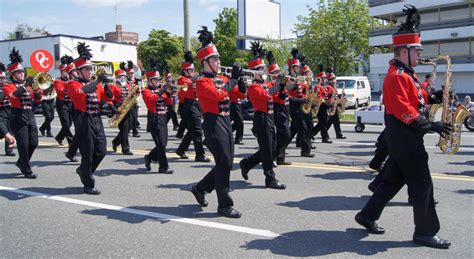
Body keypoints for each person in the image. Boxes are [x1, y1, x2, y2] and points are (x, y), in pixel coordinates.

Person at [355, 5, 451, 249]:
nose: (420, 55)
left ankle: (367, 216)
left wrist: (436, 96)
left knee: (392, 180)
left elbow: (416, 99)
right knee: (422, 183)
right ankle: (425, 232)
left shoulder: (406, 74)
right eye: (416, 51)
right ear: (404, 51)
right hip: (405, 136)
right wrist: (433, 125)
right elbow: (404, 111)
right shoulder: (396, 76)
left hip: (404, 137)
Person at [190, 26, 241, 218]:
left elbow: (237, 95)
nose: (219, 62)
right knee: (225, 162)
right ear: (205, 62)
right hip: (213, 123)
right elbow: (219, 95)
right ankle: (224, 205)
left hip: (226, 122)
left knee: (225, 163)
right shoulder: (202, 82)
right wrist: (233, 80)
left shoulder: (221, 78)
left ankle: (200, 188)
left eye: (218, 59)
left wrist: (240, 83)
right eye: (215, 59)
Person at [68, 42, 114, 195]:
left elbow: (107, 98)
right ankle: (88, 183)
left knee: (101, 150)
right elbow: (82, 92)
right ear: (79, 71)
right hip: (83, 120)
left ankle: (84, 171)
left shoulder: (95, 84)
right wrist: (98, 82)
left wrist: (107, 86)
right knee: (87, 153)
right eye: (87, 69)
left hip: (96, 119)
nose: (90, 71)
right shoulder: (72, 84)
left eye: (90, 69)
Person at [239, 41, 286, 190]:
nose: (265, 71)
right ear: (255, 72)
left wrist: (283, 86)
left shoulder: (266, 84)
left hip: (270, 118)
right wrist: (278, 84)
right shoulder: (253, 87)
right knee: (267, 151)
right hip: (261, 118)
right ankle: (270, 179)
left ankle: (247, 163)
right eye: (262, 69)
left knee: (271, 149)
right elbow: (267, 96)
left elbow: (278, 97)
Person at [3, 48, 42, 178]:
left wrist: (35, 89)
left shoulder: (27, 85)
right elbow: (14, 96)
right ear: (12, 75)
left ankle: (22, 162)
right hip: (17, 115)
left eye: (22, 72)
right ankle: (26, 168)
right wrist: (25, 85)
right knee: (23, 144)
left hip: (30, 114)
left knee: (34, 142)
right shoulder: (8, 86)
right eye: (18, 72)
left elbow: (38, 99)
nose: (21, 74)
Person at [176, 50, 210, 163]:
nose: (193, 72)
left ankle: (181, 149)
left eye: (193, 70)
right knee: (197, 130)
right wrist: (196, 79)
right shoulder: (182, 80)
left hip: (195, 105)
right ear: (185, 71)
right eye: (191, 70)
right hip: (188, 105)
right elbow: (184, 89)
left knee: (192, 131)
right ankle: (200, 154)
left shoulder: (193, 79)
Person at [142, 58, 173, 174]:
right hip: (154, 118)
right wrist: (161, 91)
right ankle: (163, 167)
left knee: (163, 144)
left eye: (158, 79)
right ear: (150, 80)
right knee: (160, 143)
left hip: (163, 117)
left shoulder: (160, 90)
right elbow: (151, 101)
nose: (158, 81)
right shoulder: (145, 91)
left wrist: (169, 94)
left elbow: (169, 103)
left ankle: (150, 157)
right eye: (155, 79)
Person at [287, 48, 314, 157]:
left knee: (292, 131)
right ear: (292, 68)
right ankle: (305, 151)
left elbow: (304, 90)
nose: (299, 68)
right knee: (302, 129)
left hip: (302, 107)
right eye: (297, 67)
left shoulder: (300, 78)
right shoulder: (288, 79)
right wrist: (302, 99)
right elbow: (287, 95)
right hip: (294, 107)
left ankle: (279, 147)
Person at [111, 63, 133, 155]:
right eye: (121, 76)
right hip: (119, 106)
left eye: (124, 76)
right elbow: (110, 98)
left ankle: (116, 141)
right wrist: (114, 109)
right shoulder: (114, 86)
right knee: (124, 129)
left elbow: (131, 95)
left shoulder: (127, 85)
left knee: (129, 127)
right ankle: (125, 149)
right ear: (117, 77)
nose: (123, 78)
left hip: (128, 107)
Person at [53, 55, 74, 146]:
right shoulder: (58, 81)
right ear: (61, 73)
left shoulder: (71, 80)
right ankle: (71, 142)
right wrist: (69, 84)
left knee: (69, 124)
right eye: (65, 72)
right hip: (62, 104)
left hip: (70, 103)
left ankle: (59, 137)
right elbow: (61, 92)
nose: (67, 74)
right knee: (66, 125)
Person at [64, 61, 80, 162]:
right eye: (74, 71)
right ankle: (72, 152)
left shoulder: (79, 81)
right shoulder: (69, 83)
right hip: (75, 108)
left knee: (80, 132)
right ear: (70, 74)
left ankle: (71, 152)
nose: (76, 73)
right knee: (80, 131)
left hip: (79, 106)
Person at [312, 66, 332, 143]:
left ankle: (312, 133)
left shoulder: (324, 87)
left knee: (323, 122)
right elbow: (318, 96)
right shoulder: (317, 86)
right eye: (323, 78)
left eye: (325, 78)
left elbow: (325, 95)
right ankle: (325, 137)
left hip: (324, 105)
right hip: (320, 106)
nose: (325, 79)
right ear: (319, 79)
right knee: (323, 122)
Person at [0, 61, 15, 156]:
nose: (3, 80)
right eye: (1, 78)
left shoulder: (8, 84)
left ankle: (9, 150)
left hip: (9, 108)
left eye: (3, 78)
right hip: (0, 109)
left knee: (10, 128)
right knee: (3, 128)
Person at [325, 71, 346, 139]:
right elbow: (328, 95)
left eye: (334, 78)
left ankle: (323, 132)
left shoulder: (334, 87)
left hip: (335, 105)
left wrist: (340, 96)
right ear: (329, 80)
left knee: (331, 121)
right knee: (335, 120)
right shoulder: (328, 87)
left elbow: (336, 96)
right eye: (332, 79)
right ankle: (338, 134)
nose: (334, 80)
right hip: (331, 105)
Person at [125, 60, 141, 138]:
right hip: (127, 102)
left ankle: (135, 131)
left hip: (134, 101)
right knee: (128, 118)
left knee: (134, 117)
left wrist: (139, 88)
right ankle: (126, 131)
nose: (131, 75)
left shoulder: (135, 81)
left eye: (131, 73)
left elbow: (140, 89)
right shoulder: (124, 81)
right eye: (129, 74)